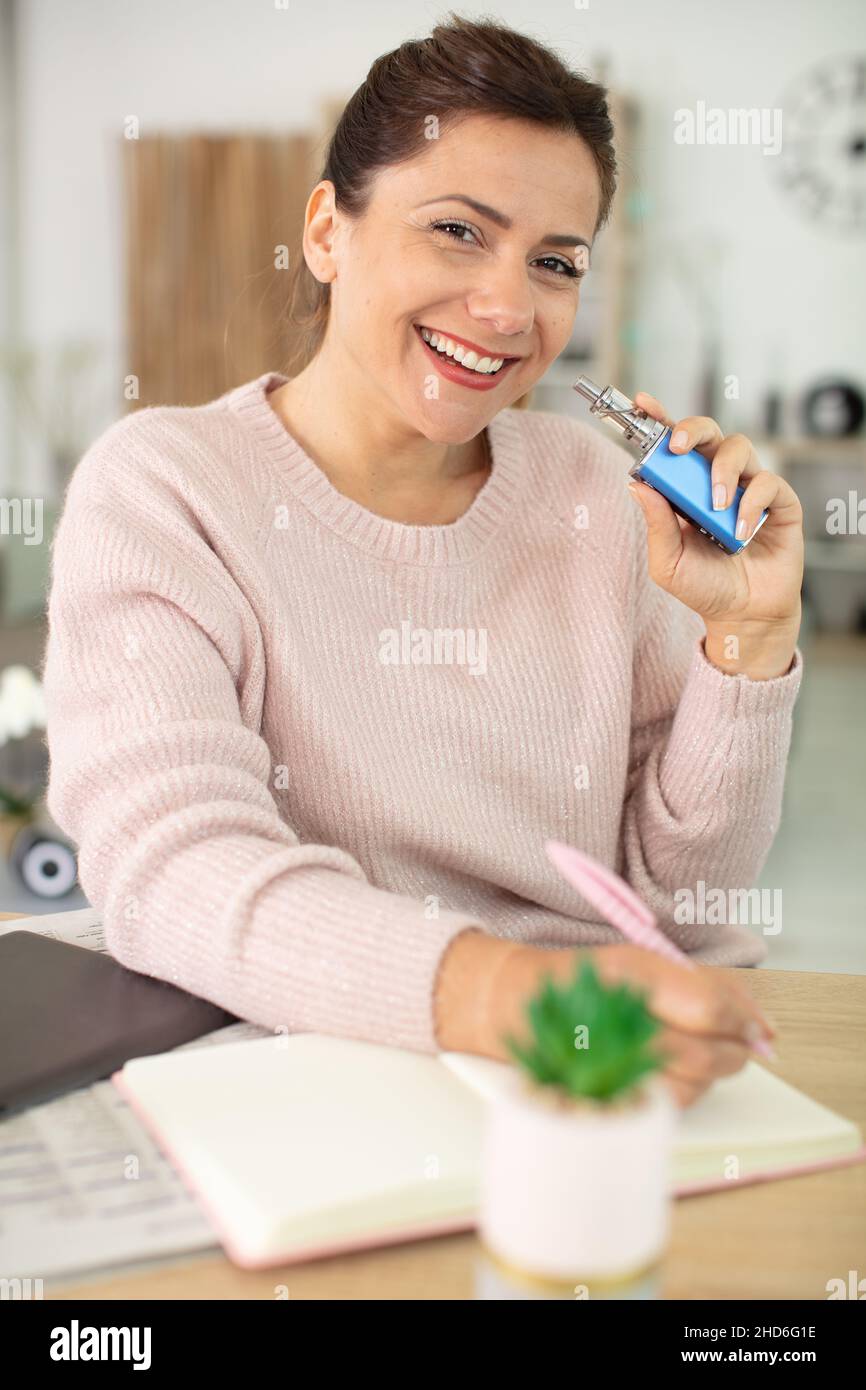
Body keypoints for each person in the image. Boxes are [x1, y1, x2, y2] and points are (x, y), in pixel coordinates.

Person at [43, 15, 804, 1108]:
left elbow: (673, 916)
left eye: (554, 262)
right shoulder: (165, 489)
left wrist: (748, 641)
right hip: (316, 1076)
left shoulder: (601, 495)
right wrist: (519, 998)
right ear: (325, 230)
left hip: (605, 1069)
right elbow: (171, 870)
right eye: (455, 230)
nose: (506, 308)